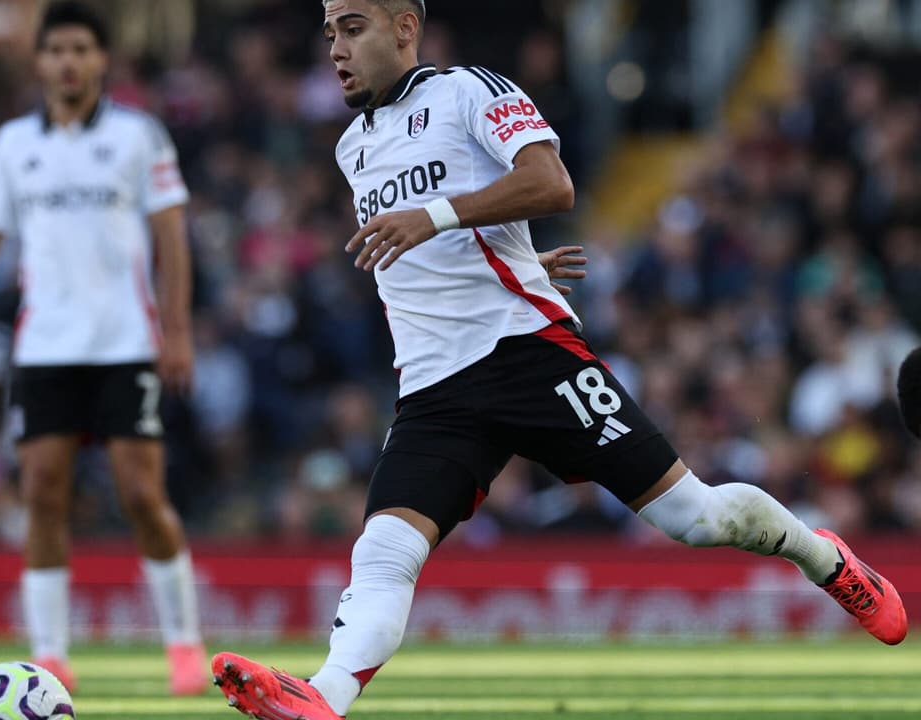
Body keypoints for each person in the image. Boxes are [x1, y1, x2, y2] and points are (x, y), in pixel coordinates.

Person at [211, 1, 908, 717]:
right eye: (329, 32)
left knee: (694, 519)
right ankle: (319, 698)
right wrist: (514, 254)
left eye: (352, 27)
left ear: (404, 29)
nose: (336, 48)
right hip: (433, 389)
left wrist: (438, 216)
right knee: (384, 551)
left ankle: (823, 559)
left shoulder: (470, 91)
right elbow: (430, 262)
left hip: (526, 355)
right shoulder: (350, 147)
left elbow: (552, 182)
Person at [0, 1, 206, 696]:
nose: (69, 62)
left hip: (124, 342)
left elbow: (171, 236)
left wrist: (177, 329)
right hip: (45, 345)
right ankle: (51, 653)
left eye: (81, 49)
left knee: (141, 493)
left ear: (102, 60)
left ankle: (182, 643)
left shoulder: (140, 136)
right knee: (42, 493)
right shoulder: (15, 143)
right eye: (57, 51)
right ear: (39, 61)